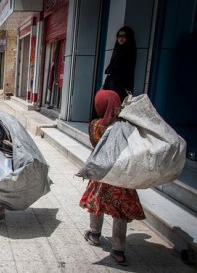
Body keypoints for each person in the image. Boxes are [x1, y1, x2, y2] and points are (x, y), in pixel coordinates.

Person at [79, 89, 145, 266]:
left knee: (96, 204)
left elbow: (95, 144)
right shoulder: (125, 127)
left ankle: (94, 235)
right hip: (121, 176)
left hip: (102, 174)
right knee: (120, 211)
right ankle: (118, 251)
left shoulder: (95, 125)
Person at [103, 26, 137, 101]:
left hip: (122, 86)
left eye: (124, 36)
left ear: (128, 38)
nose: (121, 38)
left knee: (117, 105)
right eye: (119, 36)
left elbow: (126, 70)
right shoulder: (117, 50)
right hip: (112, 84)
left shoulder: (129, 51)